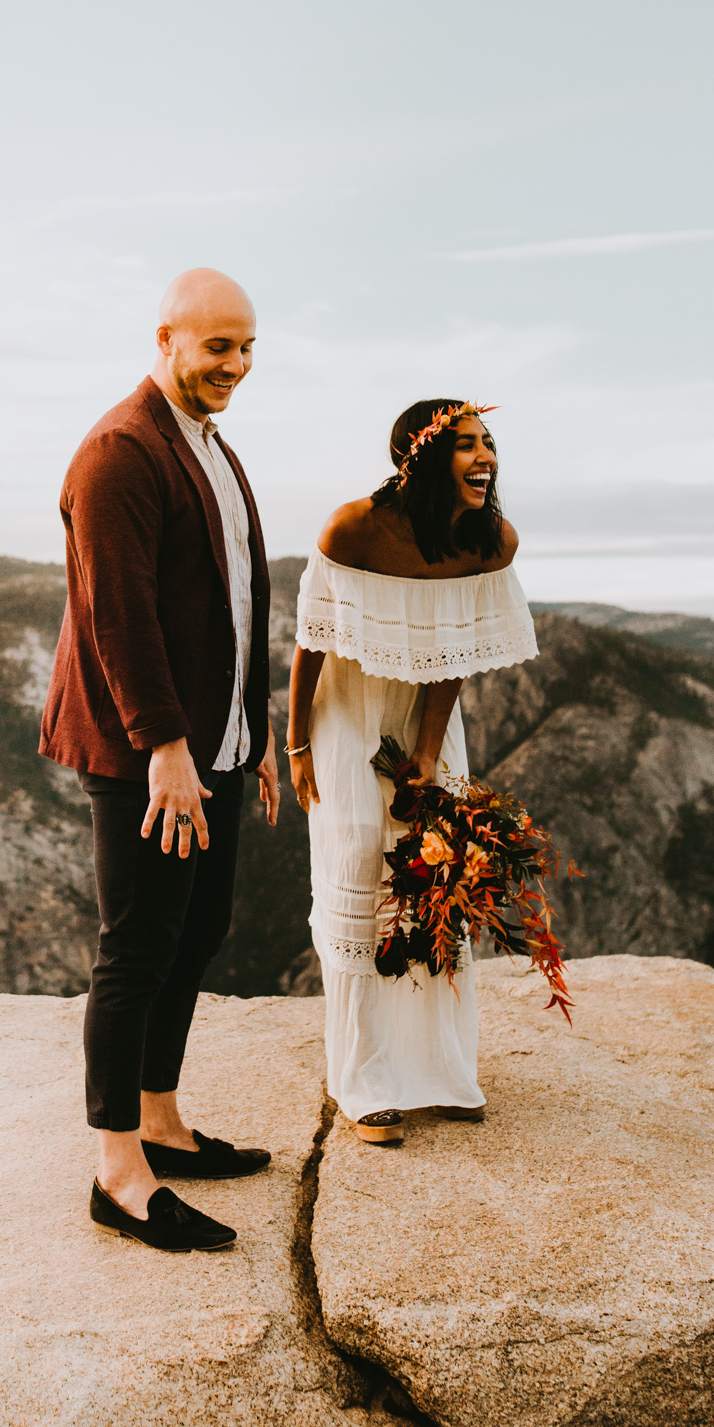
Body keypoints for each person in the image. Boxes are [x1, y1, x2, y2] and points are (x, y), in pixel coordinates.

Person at [40, 267, 281, 1252]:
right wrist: (167, 748)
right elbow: (118, 614)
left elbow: (233, 604)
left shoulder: (212, 448)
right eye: (218, 345)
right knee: (137, 944)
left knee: (200, 926)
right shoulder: (119, 451)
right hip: (147, 747)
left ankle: (163, 1118)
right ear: (167, 336)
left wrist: (251, 736)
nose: (235, 364)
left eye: (248, 347)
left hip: (210, 740)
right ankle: (118, 1169)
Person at [286, 400, 538, 1146]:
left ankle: (438, 1073)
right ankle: (362, 1082)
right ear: (420, 456)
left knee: (436, 878)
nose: (484, 455)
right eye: (465, 444)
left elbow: (449, 657)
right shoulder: (352, 527)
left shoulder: (490, 540)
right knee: (361, 869)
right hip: (347, 708)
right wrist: (297, 744)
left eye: (488, 442)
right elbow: (309, 644)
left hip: (425, 715)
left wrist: (428, 752)